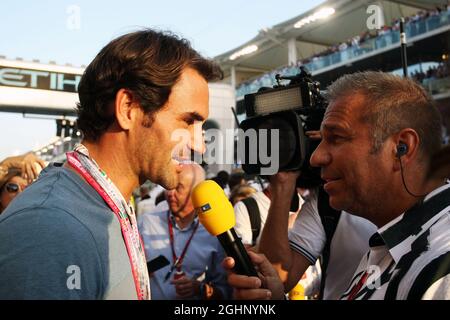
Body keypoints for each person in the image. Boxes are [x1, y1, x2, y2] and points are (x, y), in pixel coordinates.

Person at [0, 29, 222, 299]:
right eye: (188, 121)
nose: (199, 145)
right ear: (128, 108)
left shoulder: (103, 205)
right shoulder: (50, 226)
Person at [224, 71, 449, 300]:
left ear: (401, 147)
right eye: (319, 140)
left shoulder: (441, 270)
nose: (315, 157)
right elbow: (279, 274)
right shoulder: (381, 247)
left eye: (336, 138)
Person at [139, 163, 230, 300]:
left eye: (178, 188)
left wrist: (199, 288)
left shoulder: (213, 233)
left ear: (196, 193)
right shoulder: (145, 223)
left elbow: (224, 292)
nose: (169, 193)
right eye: (167, 187)